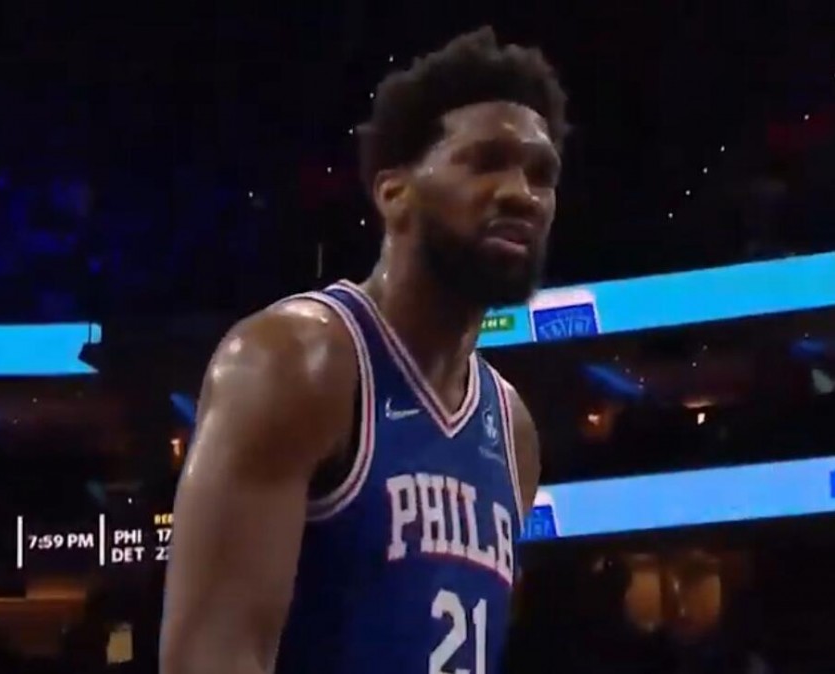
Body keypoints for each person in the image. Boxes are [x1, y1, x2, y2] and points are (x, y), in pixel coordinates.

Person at [159, 26, 569, 674]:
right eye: (485, 161)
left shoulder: (512, 431)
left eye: (541, 174)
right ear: (393, 191)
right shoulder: (296, 360)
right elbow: (211, 657)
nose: (522, 193)